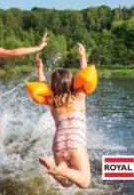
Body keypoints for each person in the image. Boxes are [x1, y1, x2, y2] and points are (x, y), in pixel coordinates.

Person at [37, 43, 91, 188]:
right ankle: (61, 170)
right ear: (71, 82)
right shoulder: (78, 96)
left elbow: (42, 86)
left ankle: (55, 169)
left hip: (59, 142)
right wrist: (82, 55)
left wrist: (40, 69)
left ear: (53, 86)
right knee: (84, 181)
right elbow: (84, 74)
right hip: (75, 140)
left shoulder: (52, 101)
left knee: (67, 182)